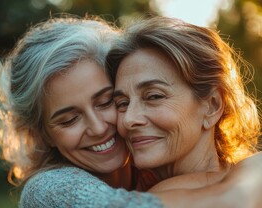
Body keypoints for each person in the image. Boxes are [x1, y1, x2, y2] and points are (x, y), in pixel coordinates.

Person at [0, 15, 262, 208]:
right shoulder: (50, 193)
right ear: (42, 134)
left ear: (212, 105)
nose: (99, 127)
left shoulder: (156, 171)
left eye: (108, 101)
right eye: (69, 119)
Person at [108, 16, 261, 191]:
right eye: (122, 103)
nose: (129, 119)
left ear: (212, 105)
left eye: (154, 96)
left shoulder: (156, 202)